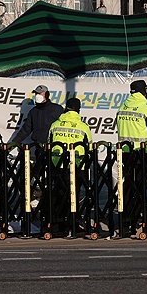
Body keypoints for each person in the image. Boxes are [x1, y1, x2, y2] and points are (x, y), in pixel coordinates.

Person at [116, 80, 147, 231]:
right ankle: (139, 217)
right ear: (142, 91)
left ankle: (126, 216)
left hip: (126, 152)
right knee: (141, 184)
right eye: (146, 90)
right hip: (142, 152)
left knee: (127, 184)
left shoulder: (122, 107)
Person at [46, 97, 93, 233]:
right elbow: (89, 146)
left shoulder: (55, 124)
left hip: (57, 165)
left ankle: (57, 224)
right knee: (74, 194)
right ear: (78, 110)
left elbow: (49, 143)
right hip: (77, 165)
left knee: (59, 193)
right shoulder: (83, 126)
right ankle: (72, 223)